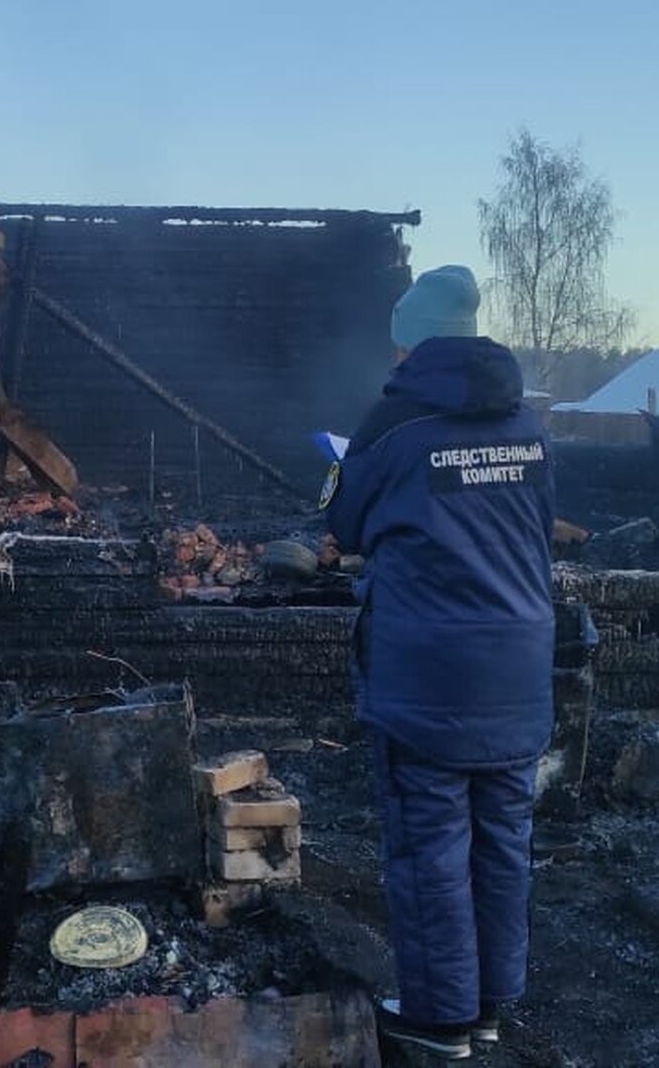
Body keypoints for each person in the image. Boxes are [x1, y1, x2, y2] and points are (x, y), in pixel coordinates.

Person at [321, 264, 555, 1061]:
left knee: (430, 847)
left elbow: (346, 527)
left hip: (428, 675)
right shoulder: (528, 423)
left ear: (412, 340)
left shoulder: (390, 426)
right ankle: (489, 1005)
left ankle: (439, 1021)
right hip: (521, 666)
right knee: (501, 840)